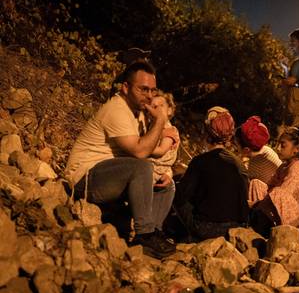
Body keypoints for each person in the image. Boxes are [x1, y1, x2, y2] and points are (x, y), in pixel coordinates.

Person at [65, 61, 176, 258]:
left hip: (113, 176)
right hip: (85, 179)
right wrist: (160, 120)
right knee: (141, 167)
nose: (149, 96)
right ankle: (144, 234)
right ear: (125, 87)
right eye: (143, 89)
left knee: (166, 185)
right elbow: (141, 152)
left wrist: (167, 172)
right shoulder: (117, 109)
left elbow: (152, 151)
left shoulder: (139, 113)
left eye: (152, 90)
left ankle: (152, 231)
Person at [173, 106, 250, 241]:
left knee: (173, 190)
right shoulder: (239, 164)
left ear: (206, 132)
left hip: (206, 229)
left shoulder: (200, 162)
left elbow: (183, 195)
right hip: (235, 228)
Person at [249, 123, 299, 238]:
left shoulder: (298, 167)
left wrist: (254, 204)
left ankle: (261, 224)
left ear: (296, 149)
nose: (277, 148)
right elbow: (269, 188)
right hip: (287, 209)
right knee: (256, 183)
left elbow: (280, 195)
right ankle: (257, 220)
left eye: (283, 145)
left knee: (277, 193)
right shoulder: (284, 166)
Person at [147, 92, 180, 233]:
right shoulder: (152, 126)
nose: (158, 108)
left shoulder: (170, 130)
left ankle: (153, 228)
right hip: (151, 166)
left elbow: (160, 151)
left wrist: (142, 144)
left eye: (161, 105)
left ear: (170, 110)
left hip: (157, 168)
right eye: (154, 106)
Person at [235, 116, 282, 186]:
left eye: (236, 146)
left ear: (246, 149)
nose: (235, 149)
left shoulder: (253, 166)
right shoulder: (266, 150)